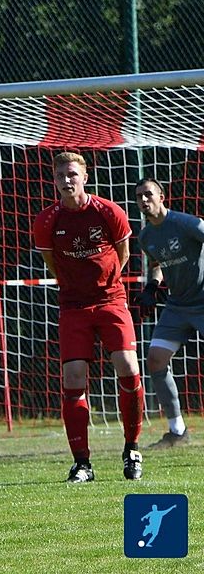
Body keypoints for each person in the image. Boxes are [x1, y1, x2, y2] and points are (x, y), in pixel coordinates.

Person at [33, 151, 145, 483]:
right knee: (73, 378)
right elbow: (52, 264)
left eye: (72, 175)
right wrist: (77, 287)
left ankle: (132, 449)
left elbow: (123, 254)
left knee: (128, 366)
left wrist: (106, 282)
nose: (66, 181)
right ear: (54, 181)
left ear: (85, 177)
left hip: (111, 299)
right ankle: (82, 463)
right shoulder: (46, 221)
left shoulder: (109, 212)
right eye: (60, 176)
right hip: (73, 306)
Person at [134, 177, 199, 448]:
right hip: (177, 306)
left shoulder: (187, 223)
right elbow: (158, 263)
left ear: (162, 197)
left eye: (148, 194)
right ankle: (177, 431)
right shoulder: (146, 236)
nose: (143, 200)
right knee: (155, 360)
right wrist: (151, 286)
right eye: (139, 197)